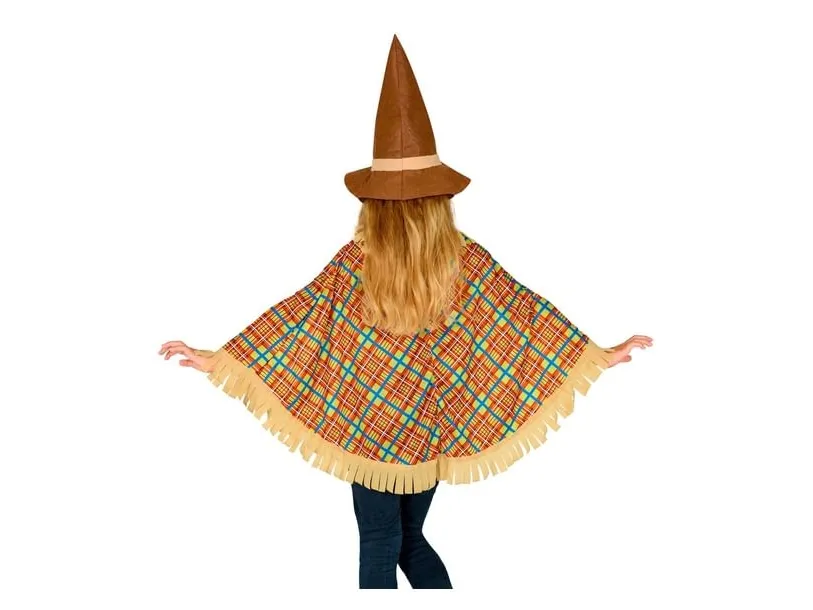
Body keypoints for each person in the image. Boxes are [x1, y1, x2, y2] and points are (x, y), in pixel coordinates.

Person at [159, 35, 652, 590]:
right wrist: (597, 355)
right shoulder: (463, 260)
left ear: (373, 201)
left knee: (379, 541)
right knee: (410, 539)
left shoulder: (357, 261)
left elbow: (298, 320)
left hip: (370, 429)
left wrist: (220, 360)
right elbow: (524, 317)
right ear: (438, 199)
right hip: (427, 428)